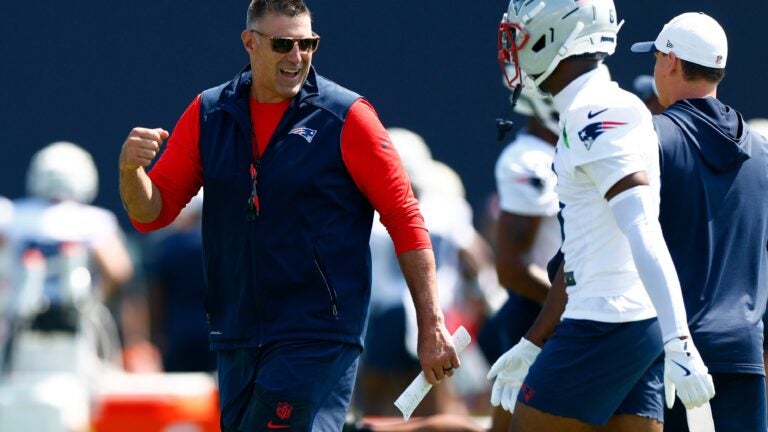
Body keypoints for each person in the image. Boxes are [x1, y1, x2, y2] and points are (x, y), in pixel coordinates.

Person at [117, 1, 459, 430]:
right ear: (250, 43)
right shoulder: (210, 113)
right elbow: (150, 213)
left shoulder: (347, 116)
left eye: (308, 44)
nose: (297, 56)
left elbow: (405, 217)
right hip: (236, 334)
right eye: (283, 44)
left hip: (316, 334)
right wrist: (130, 171)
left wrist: (431, 325)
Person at [487, 0, 715, 430]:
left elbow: (642, 227)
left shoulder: (597, 111)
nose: (512, 47)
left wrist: (680, 340)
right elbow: (584, 250)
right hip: (624, 319)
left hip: (605, 322)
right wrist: (533, 342)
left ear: (556, 34)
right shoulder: (594, 107)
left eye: (519, 34)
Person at [631, 12, 768, 431]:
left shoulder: (649, 137)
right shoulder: (762, 152)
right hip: (744, 357)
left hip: (670, 356)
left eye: (657, 56)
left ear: (671, 61)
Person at [0, 141, 132, 372]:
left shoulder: (14, 216)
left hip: (20, 323)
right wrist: (97, 299)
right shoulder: (93, 221)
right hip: (75, 322)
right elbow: (118, 270)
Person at [476, 85, 560, 432]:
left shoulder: (568, 151)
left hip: (559, 311)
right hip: (539, 314)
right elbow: (512, 269)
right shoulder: (531, 160)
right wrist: (571, 306)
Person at [144, 189, 216, 373]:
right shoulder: (219, 245)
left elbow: (156, 296)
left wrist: (155, 335)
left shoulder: (167, 246)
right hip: (217, 330)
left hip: (178, 332)